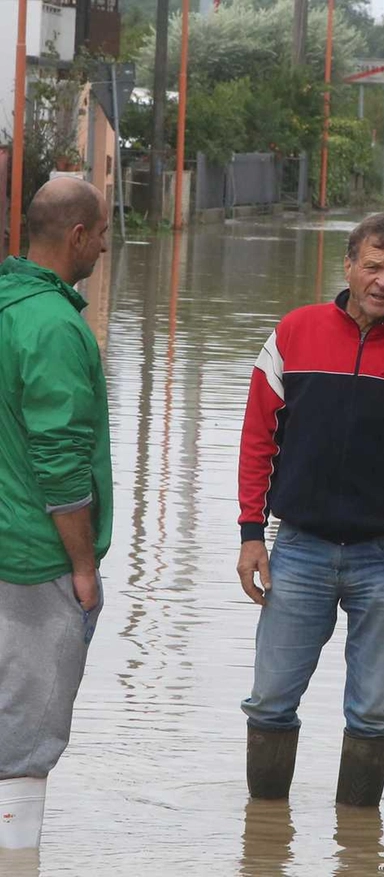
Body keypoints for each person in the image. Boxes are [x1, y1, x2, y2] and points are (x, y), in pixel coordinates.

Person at [236, 213, 384, 808]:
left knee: (373, 712)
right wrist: (250, 533)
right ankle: (264, 843)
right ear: (348, 265)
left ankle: (357, 842)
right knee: (270, 700)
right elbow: (256, 440)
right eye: (373, 265)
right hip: (299, 548)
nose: (383, 280)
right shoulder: (294, 333)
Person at [0, 177, 112, 850]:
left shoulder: (7, 304)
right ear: (76, 236)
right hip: (35, 559)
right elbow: (62, 462)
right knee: (25, 741)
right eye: (101, 234)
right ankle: (18, 859)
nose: (104, 246)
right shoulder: (55, 326)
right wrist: (83, 564)